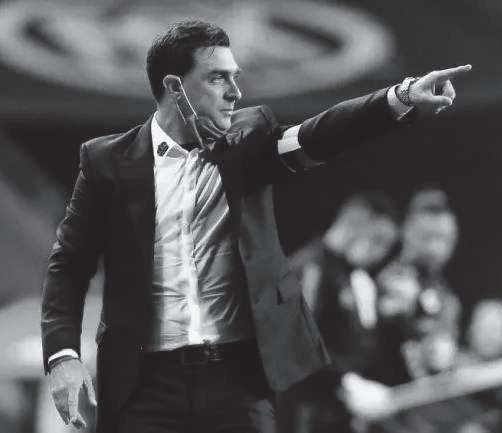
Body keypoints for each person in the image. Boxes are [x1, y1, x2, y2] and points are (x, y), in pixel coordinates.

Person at [41, 20, 471, 433]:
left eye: (235, 77)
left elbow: (323, 133)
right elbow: (69, 265)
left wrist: (400, 96)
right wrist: (63, 355)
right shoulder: (107, 163)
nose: (235, 92)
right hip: (144, 385)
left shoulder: (249, 141)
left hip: (238, 382)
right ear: (175, 87)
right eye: (217, 78)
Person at [279, 192, 405, 433]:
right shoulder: (310, 267)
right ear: (353, 226)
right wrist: (346, 382)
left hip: (337, 414)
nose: (380, 253)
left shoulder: (355, 278)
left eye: (386, 246)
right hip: (304, 414)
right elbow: (298, 344)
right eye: (377, 240)